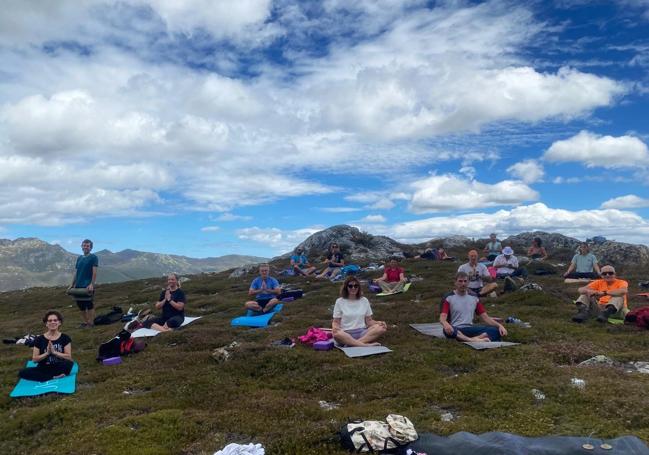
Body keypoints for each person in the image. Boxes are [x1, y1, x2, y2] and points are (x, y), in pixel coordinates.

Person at [440, 272, 508, 342]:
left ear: (468, 282)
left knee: (495, 331)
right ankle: (473, 339)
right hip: (455, 329)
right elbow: (442, 318)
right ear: (455, 282)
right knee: (447, 330)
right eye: (460, 281)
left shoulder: (474, 297)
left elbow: (486, 318)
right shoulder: (448, 298)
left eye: (465, 281)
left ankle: (474, 339)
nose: (463, 284)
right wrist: (446, 324)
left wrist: (500, 326)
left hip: (469, 329)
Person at [18, 311, 73, 382]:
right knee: (22, 372)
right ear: (46, 324)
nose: (52, 322)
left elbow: (69, 357)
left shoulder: (65, 338)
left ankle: (46, 377)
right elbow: (35, 359)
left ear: (59, 323)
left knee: (69, 363)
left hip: (59, 365)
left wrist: (54, 352)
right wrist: (47, 353)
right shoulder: (39, 339)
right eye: (50, 321)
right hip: (44, 367)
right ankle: (54, 377)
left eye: (55, 320)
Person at [332, 276, 387, 347]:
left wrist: (379, 322)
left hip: (362, 332)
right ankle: (364, 345)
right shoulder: (340, 301)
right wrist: (335, 328)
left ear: (358, 287)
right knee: (337, 334)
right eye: (350, 286)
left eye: (356, 286)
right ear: (346, 287)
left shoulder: (364, 300)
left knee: (381, 328)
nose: (353, 288)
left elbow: (369, 321)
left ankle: (353, 344)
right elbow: (336, 321)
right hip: (346, 333)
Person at [68, 239, 98, 328]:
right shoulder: (79, 258)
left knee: (89, 305)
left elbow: (94, 272)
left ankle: (91, 323)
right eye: (84, 245)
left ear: (91, 247)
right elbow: (76, 272)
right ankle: (86, 322)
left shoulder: (93, 257)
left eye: (87, 246)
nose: (85, 247)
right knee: (81, 306)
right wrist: (72, 284)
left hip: (87, 286)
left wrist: (91, 284)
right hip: (78, 286)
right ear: (81, 246)